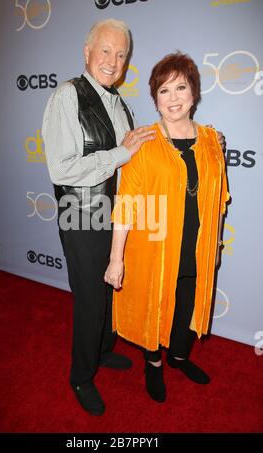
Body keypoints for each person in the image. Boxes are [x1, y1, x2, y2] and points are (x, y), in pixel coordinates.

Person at [42, 18, 157, 416]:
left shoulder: (117, 102)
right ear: (87, 52)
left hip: (112, 213)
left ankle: (104, 349)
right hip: (81, 213)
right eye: (106, 50)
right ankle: (81, 375)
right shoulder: (67, 96)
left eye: (121, 54)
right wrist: (119, 155)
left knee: (109, 288)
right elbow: (62, 169)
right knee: (91, 297)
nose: (113, 60)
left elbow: (135, 154)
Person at [105, 51, 230, 403]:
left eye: (181, 87)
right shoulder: (142, 142)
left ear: (194, 93)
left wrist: (216, 244)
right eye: (164, 90)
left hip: (196, 247)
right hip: (154, 248)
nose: (173, 97)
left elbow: (219, 198)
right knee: (154, 306)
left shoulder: (211, 141)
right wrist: (117, 259)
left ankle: (178, 356)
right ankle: (154, 363)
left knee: (187, 305)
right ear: (154, 98)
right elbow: (125, 203)